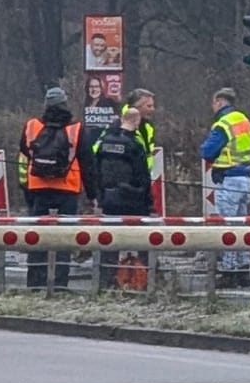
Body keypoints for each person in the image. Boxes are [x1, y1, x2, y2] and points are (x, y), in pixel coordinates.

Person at [18, 87, 97, 287]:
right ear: (65, 104)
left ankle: (35, 281)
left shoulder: (32, 126)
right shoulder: (76, 129)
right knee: (65, 237)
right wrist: (92, 194)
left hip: (37, 187)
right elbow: (88, 164)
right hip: (67, 189)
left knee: (36, 237)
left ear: (46, 105)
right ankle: (61, 282)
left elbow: (25, 152)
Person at [199, 88, 250, 288]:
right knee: (241, 228)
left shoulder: (223, 124)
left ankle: (229, 272)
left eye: (213, 103)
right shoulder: (244, 121)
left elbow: (207, 151)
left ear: (219, 101)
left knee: (228, 229)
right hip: (245, 179)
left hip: (229, 180)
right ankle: (244, 271)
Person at [92, 106, 153, 287]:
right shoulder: (134, 145)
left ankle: (107, 278)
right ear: (136, 121)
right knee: (140, 239)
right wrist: (147, 200)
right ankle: (142, 280)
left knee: (110, 239)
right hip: (132, 199)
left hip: (109, 199)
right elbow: (142, 176)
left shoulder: (104, 142)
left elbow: (96, 171)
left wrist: (99, 195)